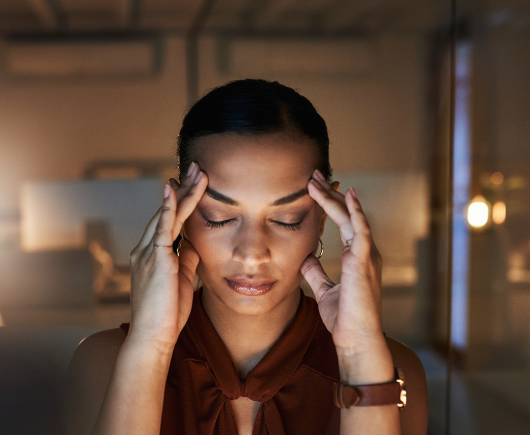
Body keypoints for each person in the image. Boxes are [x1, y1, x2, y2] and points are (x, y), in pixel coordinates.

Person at [67, 79, 428, 435]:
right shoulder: (103, 362)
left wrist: (361, 355)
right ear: (179, 214)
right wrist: (149, 348)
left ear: (322, 217)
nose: (252, 254)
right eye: (219, 217)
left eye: (287, 219)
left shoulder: (393, 369)